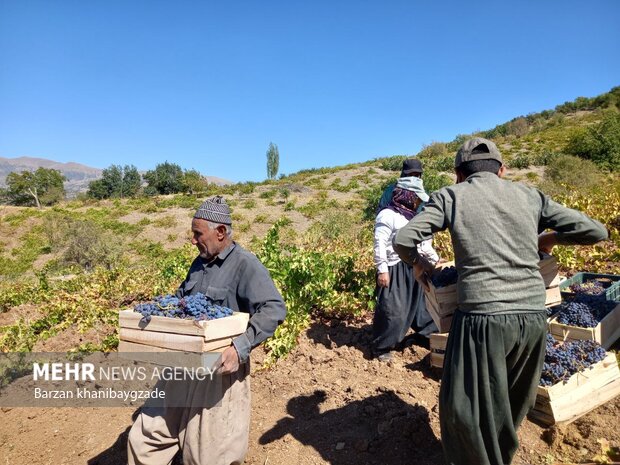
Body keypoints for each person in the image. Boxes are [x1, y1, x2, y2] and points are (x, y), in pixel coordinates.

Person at [392, 137, 608, 465]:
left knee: (464, 410)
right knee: (509, 405)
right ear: (502, 170)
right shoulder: (529, 195)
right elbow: (595, 231)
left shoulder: (452, 196)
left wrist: (419, 266)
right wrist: (550, 236)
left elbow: (405, 239)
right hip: (534, 319)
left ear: (458, 174)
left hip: (482, 319)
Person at [127, 195, 287, 465]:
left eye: (197, 233)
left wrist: (240, 347)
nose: (193, 240)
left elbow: (274, 308)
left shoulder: (245, 265)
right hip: (181, 365)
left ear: (220, 232)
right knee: (145, 439)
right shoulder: (199, 263)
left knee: (206, 456)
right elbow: (182, 301)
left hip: (218, 370)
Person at [372, 177, 439, 362]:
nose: (418, 202)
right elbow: (380, 244)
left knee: (422, 305)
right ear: (407, 195)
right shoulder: (387, 215)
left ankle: (427, 334)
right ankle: (382, 346)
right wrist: (382, 270)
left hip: (413, 265)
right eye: (416, 198)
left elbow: (424, 244)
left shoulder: (414, 217)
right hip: (394, 268)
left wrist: (435, 261)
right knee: (394, 309)